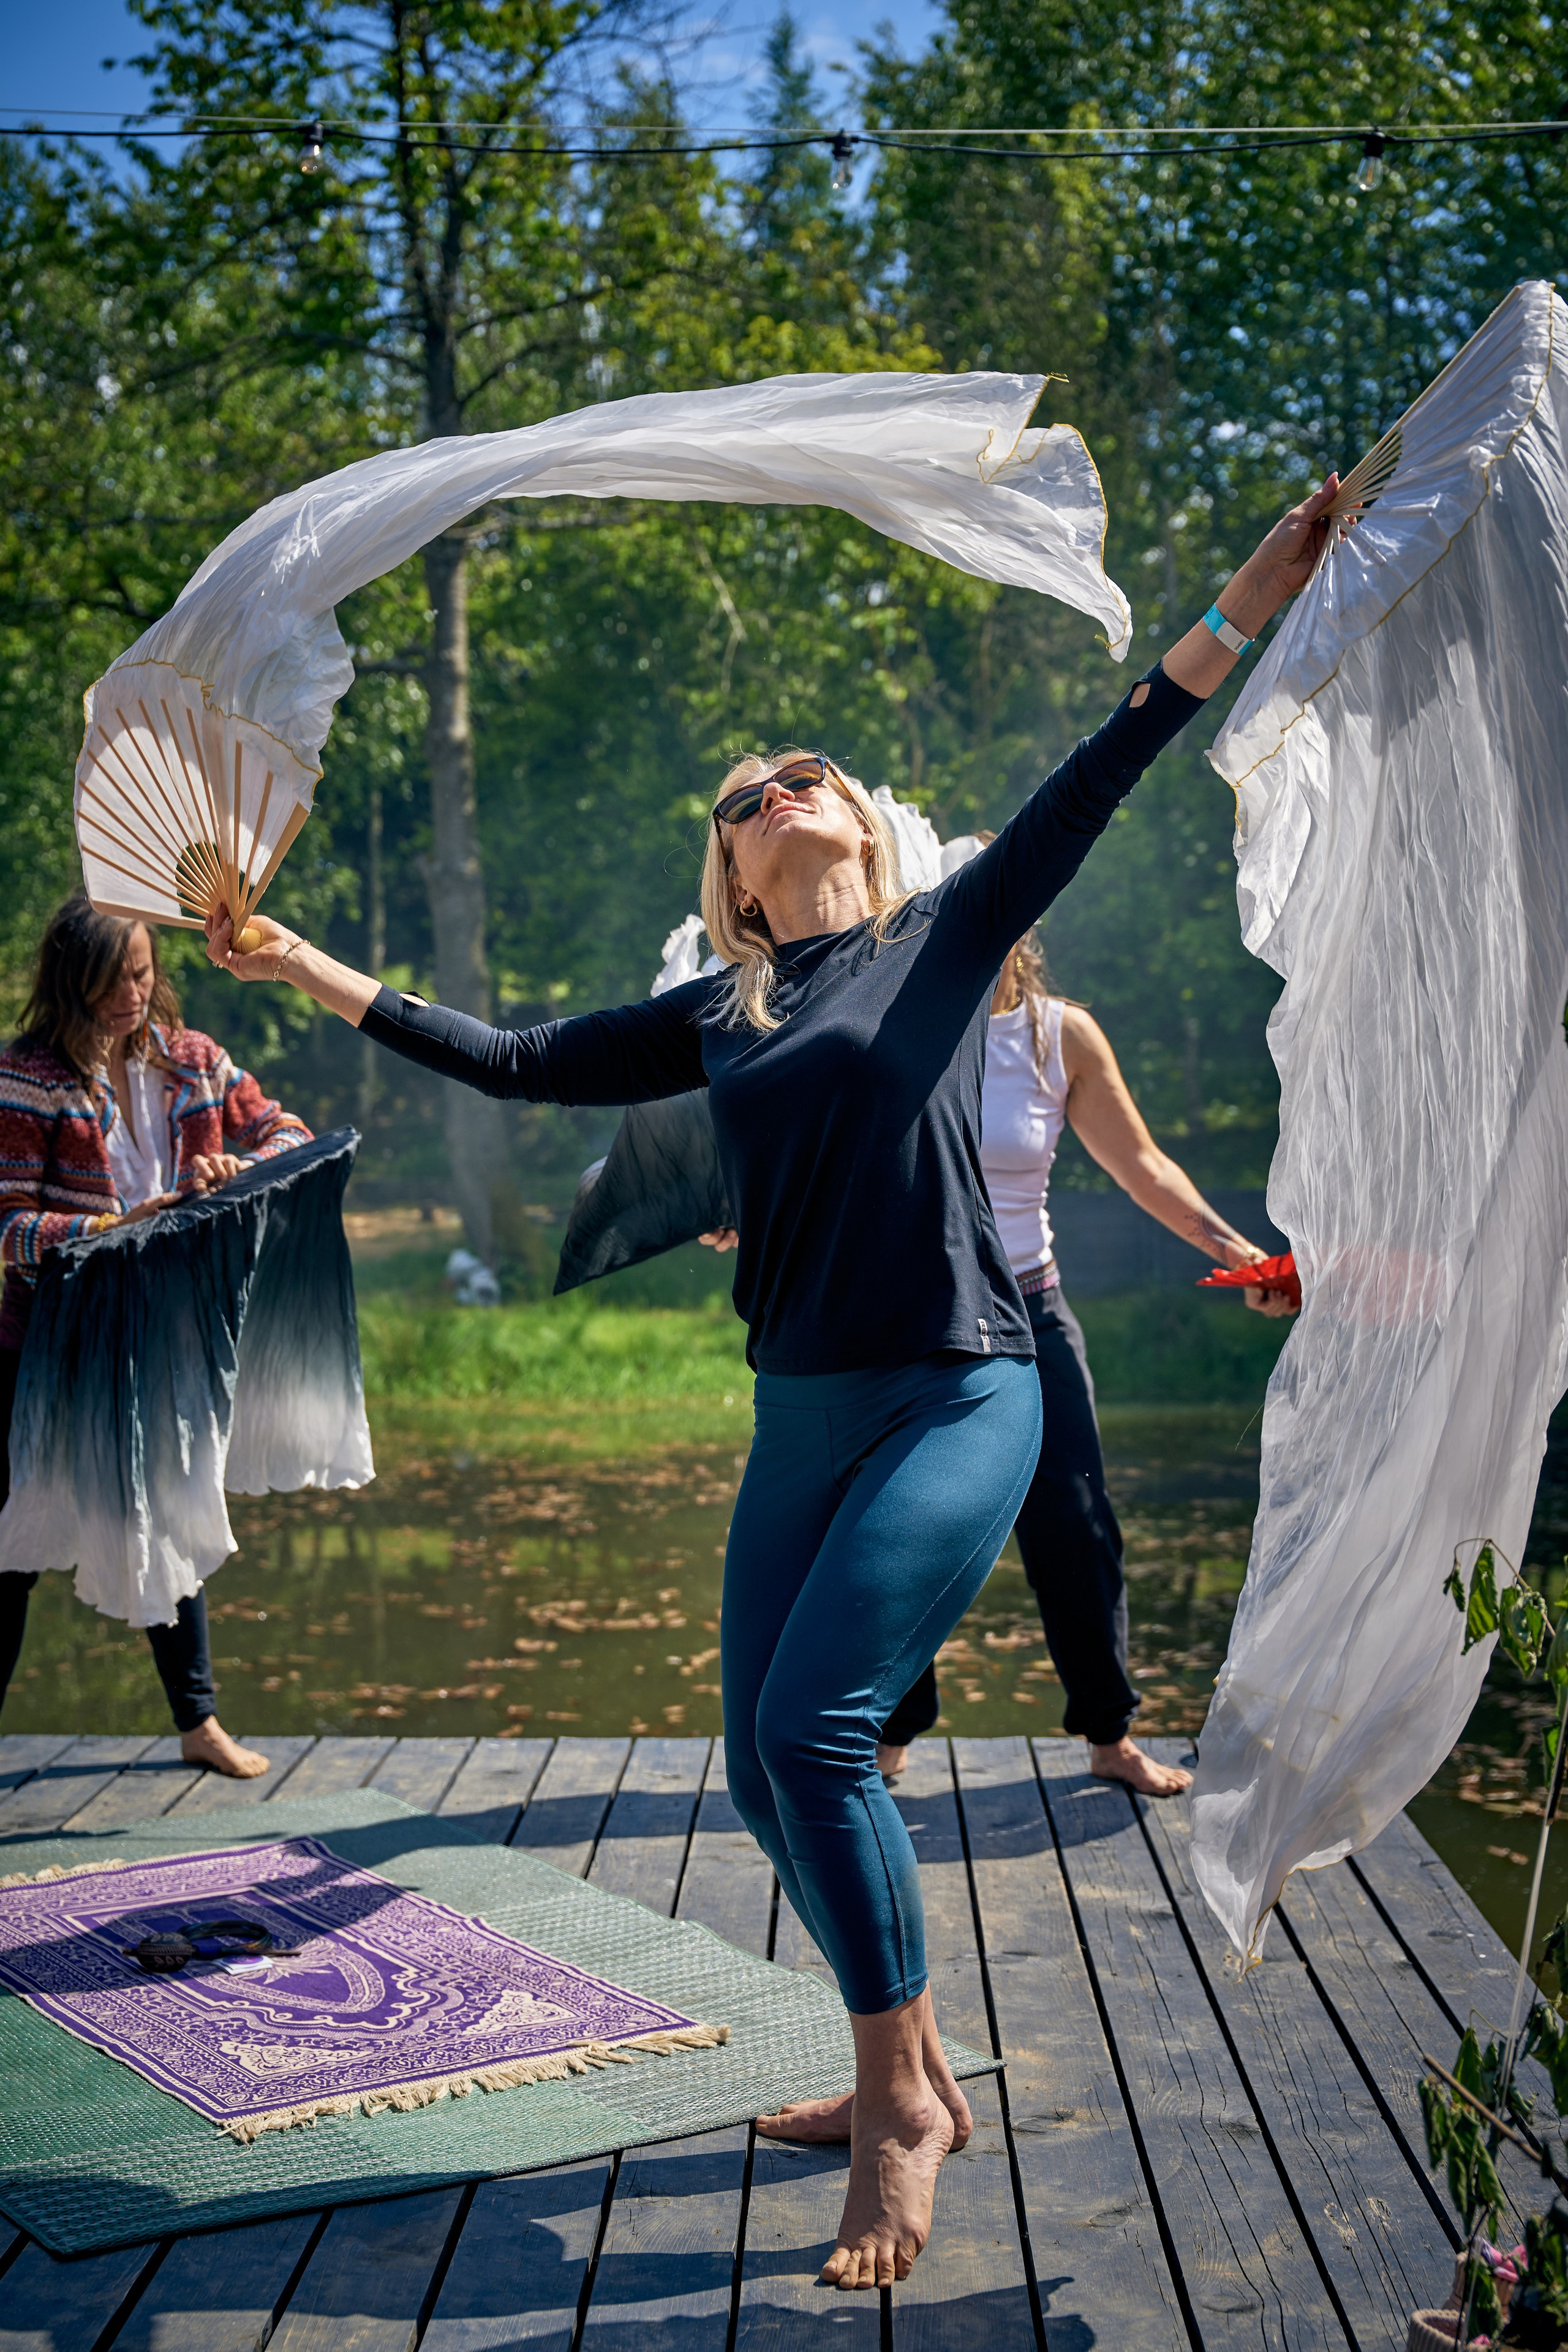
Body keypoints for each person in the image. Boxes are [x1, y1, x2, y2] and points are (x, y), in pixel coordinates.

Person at [202, 473, 1341, 2291]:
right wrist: (288, 957)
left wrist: (1248, 594)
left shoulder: (942, 938)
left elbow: (1110, 761)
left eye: (804, 774)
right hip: (799, 1413)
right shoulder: (721, 1014)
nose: (777, 790)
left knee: (817, 1737)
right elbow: (510, 1059)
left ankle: (891, 2109)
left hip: (962, 1387)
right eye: (744, 798)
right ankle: (922, 2064)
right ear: (733, 878)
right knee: (758, 1767)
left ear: (861, 828)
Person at [864, 924, 1296, 1801]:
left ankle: (1109, 1735)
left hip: (1029, 1309)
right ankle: (891, 1736)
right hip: (916, 1319)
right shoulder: (894, 1025)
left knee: (1078, 1523)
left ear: (1023, 925)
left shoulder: (1060, 1036)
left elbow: (1142, 1166)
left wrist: (1243, 1255)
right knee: (903, 1531)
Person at [0, 896, 312, 1776]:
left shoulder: (194, 1060)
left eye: (141, 975)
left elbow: (289, 1135)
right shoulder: (25, 1078)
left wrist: (235, 1168)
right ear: (70, 985)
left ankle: (199, 1725)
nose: (131, 997)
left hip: (159, 1337)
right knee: (9, 1551)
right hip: (42, 1350)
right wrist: (109, 1228)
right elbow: (8, 1227)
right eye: (111, 983)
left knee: (168, 1521)